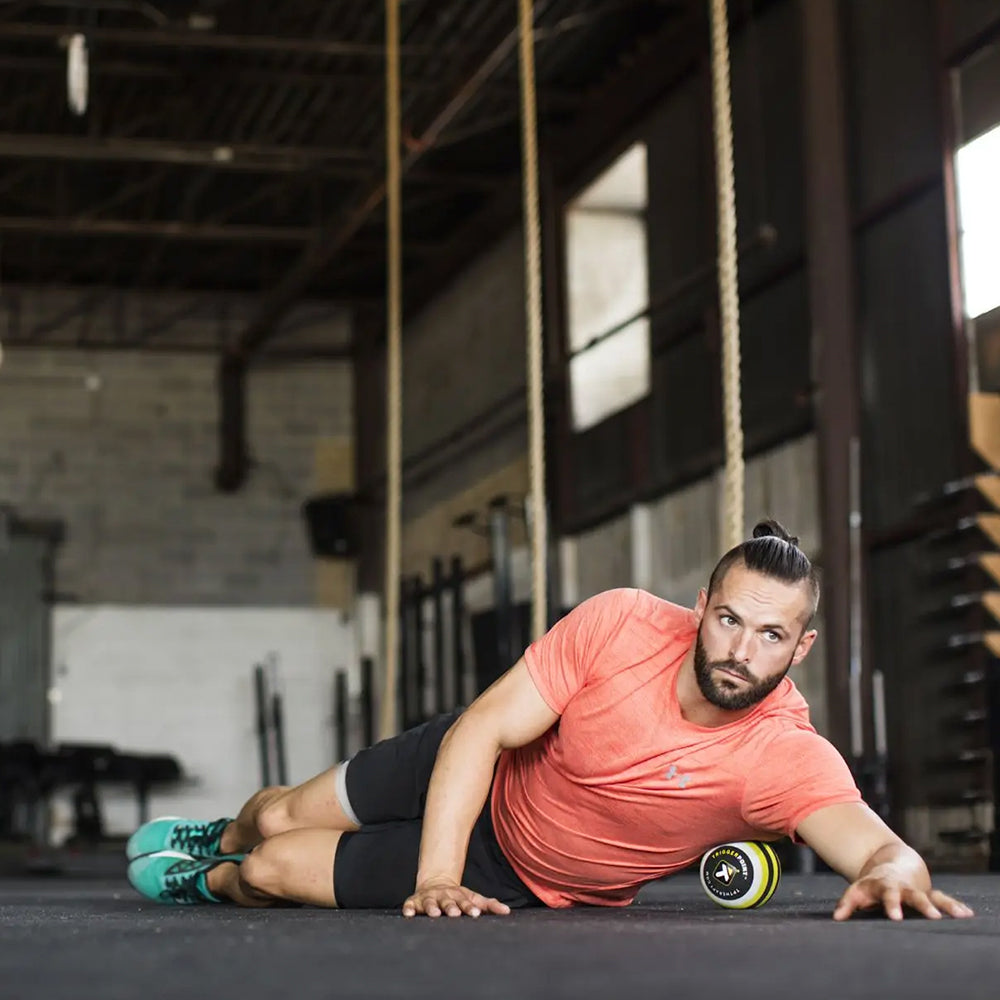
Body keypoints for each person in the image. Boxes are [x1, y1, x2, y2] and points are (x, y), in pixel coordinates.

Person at [126, 520, 973, 922]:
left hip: (521, 875)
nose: (741, 651)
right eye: (730, 621)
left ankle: (215, 878)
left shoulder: (781, 753)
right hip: (470, 762)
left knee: (270, 871)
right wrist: (431, 879)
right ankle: (220, 831)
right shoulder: (621, 622)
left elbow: (879, 844)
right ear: (700, 606)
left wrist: (897, 870)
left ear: (801, 648)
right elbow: (485, 731)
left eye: (772, 635)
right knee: (271, 818)